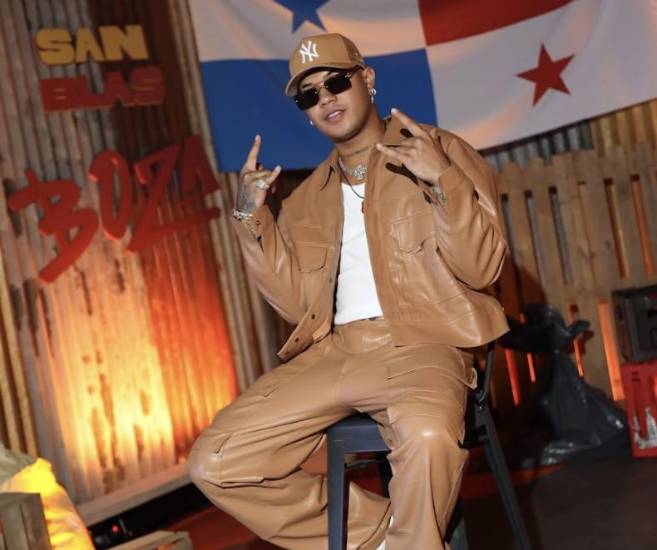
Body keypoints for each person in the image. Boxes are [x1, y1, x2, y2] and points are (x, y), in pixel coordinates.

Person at [189, 33, 509, 550]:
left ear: (368, 79)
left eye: (336, 82)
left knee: (429, 437)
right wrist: (252, 220)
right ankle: (386, 537)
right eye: (310, 94)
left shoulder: (440, 152)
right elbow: (295, 307)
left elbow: (482, 267)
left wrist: (443, 181)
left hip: (422, 343)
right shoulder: (306, 199)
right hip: (335, 353)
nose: (326, 99)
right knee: (215, 462)